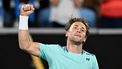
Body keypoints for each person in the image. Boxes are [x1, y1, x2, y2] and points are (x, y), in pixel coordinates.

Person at [18, 4, 99, 69]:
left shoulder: (91, 59)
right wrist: (23, 17)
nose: (79, 30)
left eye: (82, 30)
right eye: (75, 27)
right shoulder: (54, 51)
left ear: (84, 38)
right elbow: (25, 45)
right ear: (67, 33)